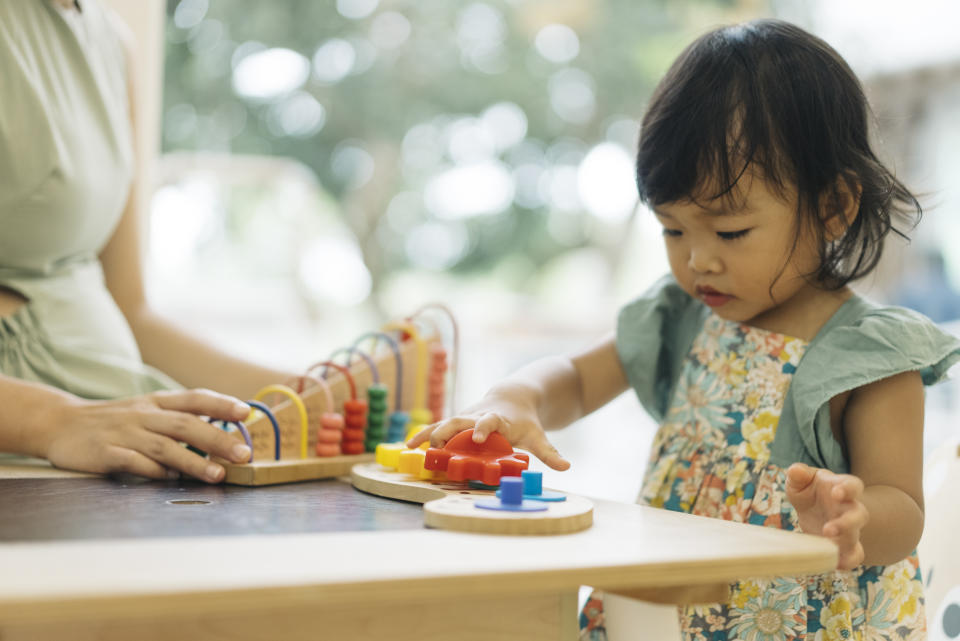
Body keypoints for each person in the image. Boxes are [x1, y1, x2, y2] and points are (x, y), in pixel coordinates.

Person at [408, 19, 960, 640]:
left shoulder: (869, 353)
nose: (698, 260)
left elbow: (904, 510)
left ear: (833, 207)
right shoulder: (682, 313)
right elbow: (576, 378)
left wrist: (854, 517)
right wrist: (518, 398)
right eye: (673, 230)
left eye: (729, 232)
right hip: (659, 615)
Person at [0, 0, 294, 483]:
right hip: (31, 454)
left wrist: (304, 393)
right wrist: (54, 420)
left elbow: (132, 314)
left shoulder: (113, 42)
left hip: (116, 437)